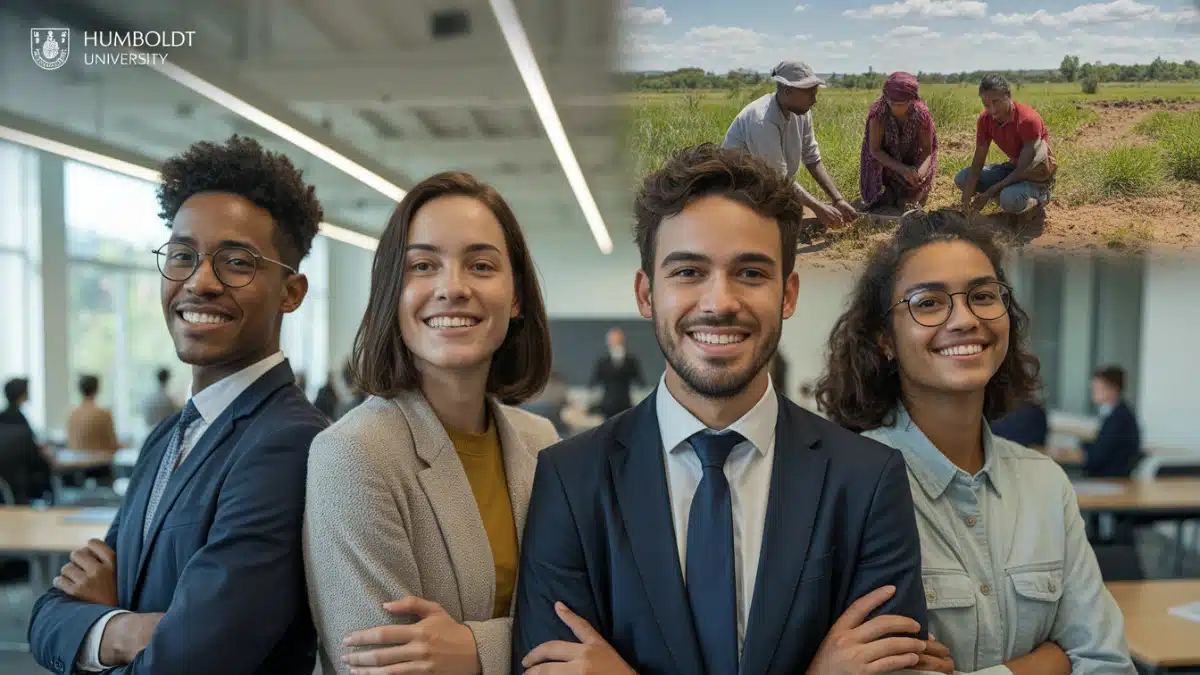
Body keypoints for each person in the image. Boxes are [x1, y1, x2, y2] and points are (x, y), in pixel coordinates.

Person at [512, 143, 929, 675]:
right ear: (646, 294)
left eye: (751, 273)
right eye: (688, 272)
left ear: (788, 294)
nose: (719, 302)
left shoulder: (867, 482)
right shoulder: (570, 481)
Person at [28, 134, 329, 675]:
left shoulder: (291, 442)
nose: (200, 282)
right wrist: (128, 630)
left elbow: (194, 659)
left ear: (291, 292)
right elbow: (46, 617)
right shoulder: (167, 437)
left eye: (237, 262)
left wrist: (101, 624)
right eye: (183, 256)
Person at [815, 209, 1135, 675]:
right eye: (928, 302)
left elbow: (1107, 662)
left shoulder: (1045, 483)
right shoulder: (846, 484)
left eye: (983, 296)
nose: (964, 319)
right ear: (885, 338)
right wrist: (1050, 662)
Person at [303, 171, 560, 675]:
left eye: (481, 265)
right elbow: (379, 665)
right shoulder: (355, 453)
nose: (452, 288)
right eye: (423, 265)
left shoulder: (542, 443)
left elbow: (584, 617)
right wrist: (523, 641)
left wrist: (470, 649)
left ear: (516, 298)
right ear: (392, 295)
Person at [723, 60, 859, 233]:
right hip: (740, 190)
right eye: (810, 95)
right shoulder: (762, 120)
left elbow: (812, 157)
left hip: (768, 186)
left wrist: (837, 199)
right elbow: (778, 177)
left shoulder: (802, 112)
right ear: (788, 91)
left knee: (795, 212)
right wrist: (818, 208)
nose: (815, 100)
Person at [956, 74, 1057, 218]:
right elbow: (978, 161)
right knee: (962, 179)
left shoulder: (1027, 120)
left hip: (1035, 174)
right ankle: (1008, 195)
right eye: (986, 105)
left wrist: (989, 192)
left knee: (1009, 199)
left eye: (996, 102)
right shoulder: (985, 120)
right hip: (1013, 168)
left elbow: (1023, 170)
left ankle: (1040, 196)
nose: (992, 110)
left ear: (1008, 95)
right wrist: (965, 200)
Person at [860, 72, 938, 211]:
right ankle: (887, 193)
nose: (894, 106)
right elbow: (875, 150)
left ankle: (910, 197)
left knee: (917, 186)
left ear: (911, 100)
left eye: (899, 103)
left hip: (911, 158)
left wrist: (918, 174)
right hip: (886, 159)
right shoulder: (878, 113)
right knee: (878, 196)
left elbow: (927, 150)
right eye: (890, 102)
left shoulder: (921, 114)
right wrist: (902, 169)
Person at [1083, 366, 1142, 478]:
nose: (1094, 393)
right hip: (1110, 477)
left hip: (1109, 480)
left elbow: (1097, 457)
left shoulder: (1118, 419)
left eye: (1098, 389)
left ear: (1113, 389)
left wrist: (1082, 449)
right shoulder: (1119, 414)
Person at [0, 377, 52, 504]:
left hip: (4, 482)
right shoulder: (21, 420)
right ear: (22, 394)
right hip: (23, 481)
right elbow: (34, 453)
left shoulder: (2, 417)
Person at [589, 327, 644, 419]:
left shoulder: (631, 361)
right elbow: (594, 381)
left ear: (623, 340)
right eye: (613, 339)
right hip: (607, 405)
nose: (615, 341)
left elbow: (640, 381)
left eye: (618, 339)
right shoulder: (603, 361)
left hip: (625, 404)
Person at [66, 375, 123, 453]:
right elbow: (113, 444)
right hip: (100, 463)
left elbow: (70, 444)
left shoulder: (71, 415)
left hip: (75, 463)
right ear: (97, 389)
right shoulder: (103, 414)